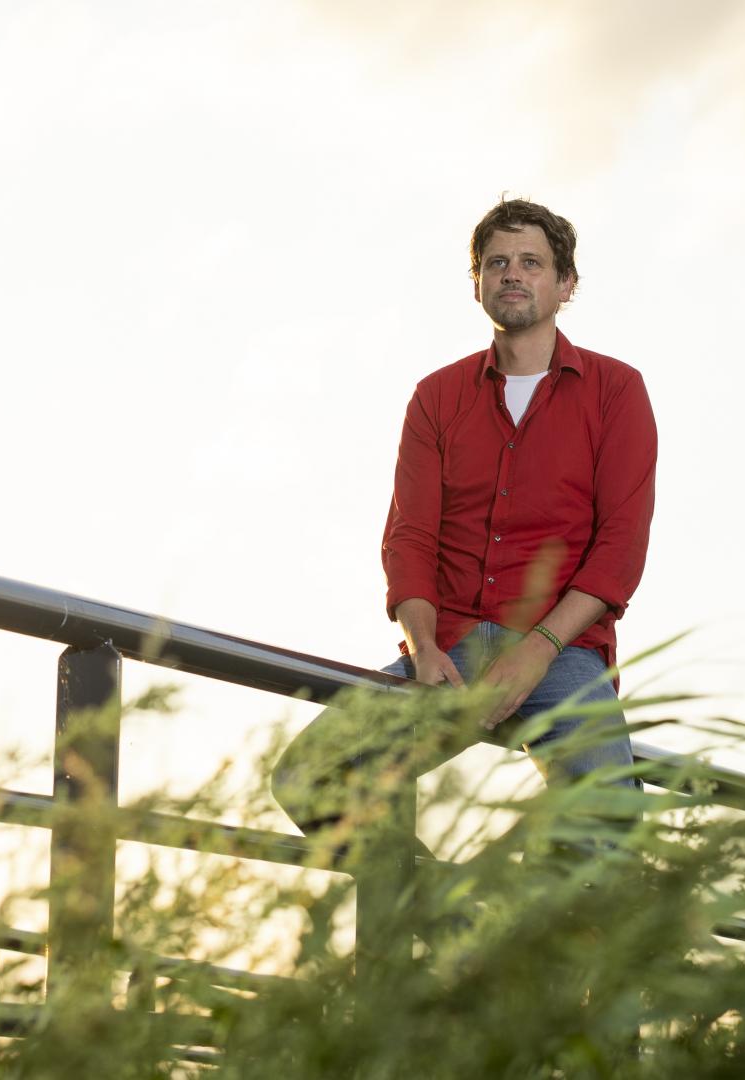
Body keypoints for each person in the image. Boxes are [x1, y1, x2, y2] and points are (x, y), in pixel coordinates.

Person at [272, 197, 656, 838]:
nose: (512, 274)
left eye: (531, 262)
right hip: (446, 647)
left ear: (565, 285)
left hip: (560, 650)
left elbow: (619, 547)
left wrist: (538, 651)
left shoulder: (616, 391)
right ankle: (433, 918)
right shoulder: (437, 396)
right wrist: (422, 647)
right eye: (497, 262)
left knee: (608, 829)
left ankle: (528, 925)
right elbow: (410, 538)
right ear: (477, 281)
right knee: (305, 778)